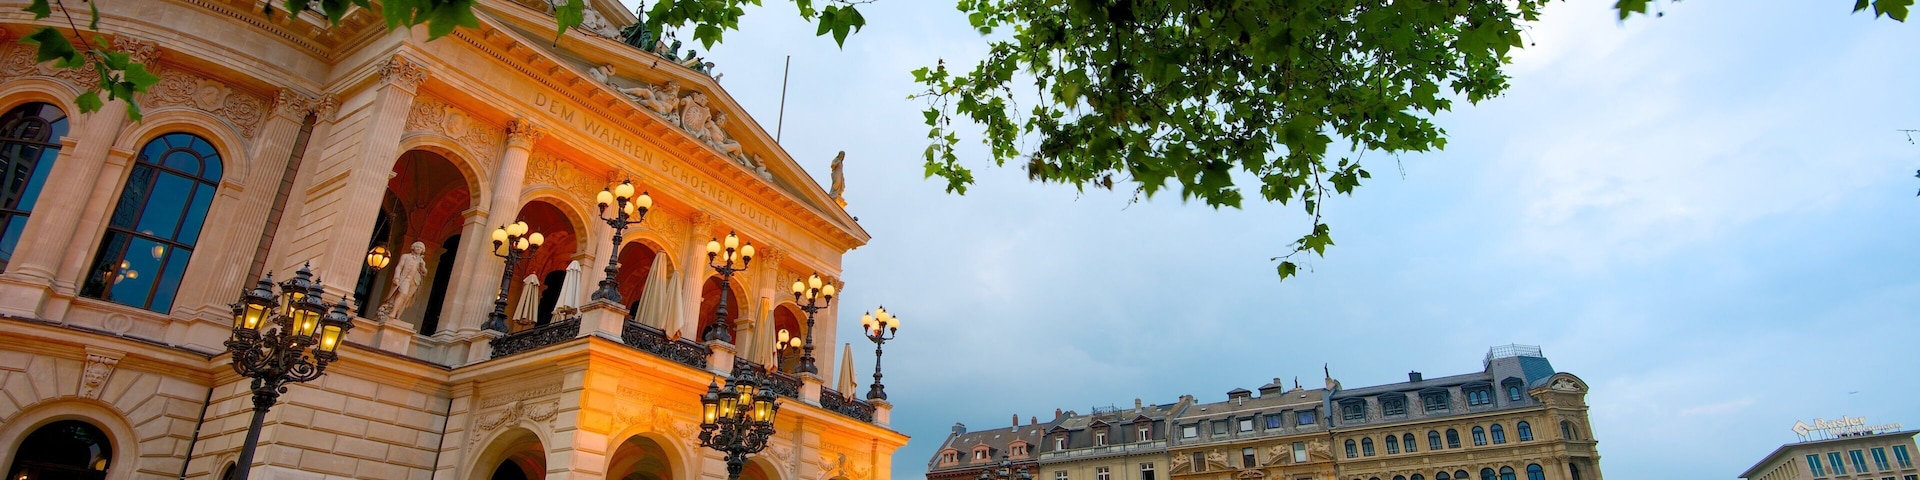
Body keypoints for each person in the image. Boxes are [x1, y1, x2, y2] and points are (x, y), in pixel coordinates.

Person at [378, 242, 428, 322]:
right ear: (413, 247)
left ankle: (398, 316)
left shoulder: (421, 261)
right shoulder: (406, 256)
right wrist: (396, 277)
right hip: (405, 279)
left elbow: (424, 272)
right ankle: (393, 313)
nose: (419, 249)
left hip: (414, 281)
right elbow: (399, 266)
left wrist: (422, 266)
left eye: (421, 248)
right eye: (417, 247)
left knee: (407, 298)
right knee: (403, 294)